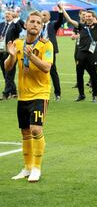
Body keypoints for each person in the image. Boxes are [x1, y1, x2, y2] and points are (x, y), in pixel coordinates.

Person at [5, 11, 53, 182]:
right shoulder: (17, 43)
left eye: (38, 22)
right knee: (25, 132)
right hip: (23, 95)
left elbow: (47, 67)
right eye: (31, 21)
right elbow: (8, 67)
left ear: (41, 27)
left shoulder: (46, 45)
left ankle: (37, 168)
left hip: (40, 93)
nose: (34, 24)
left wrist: (31, 56)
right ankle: (27, 167)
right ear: (26, 25)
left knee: (35, 129)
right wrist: (11, 55)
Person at [59, 3, 97, 102]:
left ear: (93, 17)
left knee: (93, 75)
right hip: (81, 54)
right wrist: (62, 9)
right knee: (79, 75)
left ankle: (95, 96)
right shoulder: (81, 26)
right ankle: (81, 95)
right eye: (86, 16)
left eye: (89, 16)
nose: (88, 18)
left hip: (92, 54)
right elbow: (69, 20)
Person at [40, 10, 63, 101]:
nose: (43, 17)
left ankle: (57, 93)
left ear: (49, 17)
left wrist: (60, 11)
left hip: (49, 50)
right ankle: (41, 91)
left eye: (45, 15)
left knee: (52, 71)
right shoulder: (38, 25)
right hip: (39, 49)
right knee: (39, 71)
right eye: (42, 15)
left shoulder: (53, 24)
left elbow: (60, 21)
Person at [0, 9, 21, 100]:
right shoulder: (1, 25)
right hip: (1, 51)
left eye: (9, 14)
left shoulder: (15, 25)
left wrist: (17, 20)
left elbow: (19, 30)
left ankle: (6, 94)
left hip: (10, 52)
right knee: (5, 73)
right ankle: (13, 92)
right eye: (6, 14)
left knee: (9, 74)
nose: (7, 15)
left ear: (13, 16)